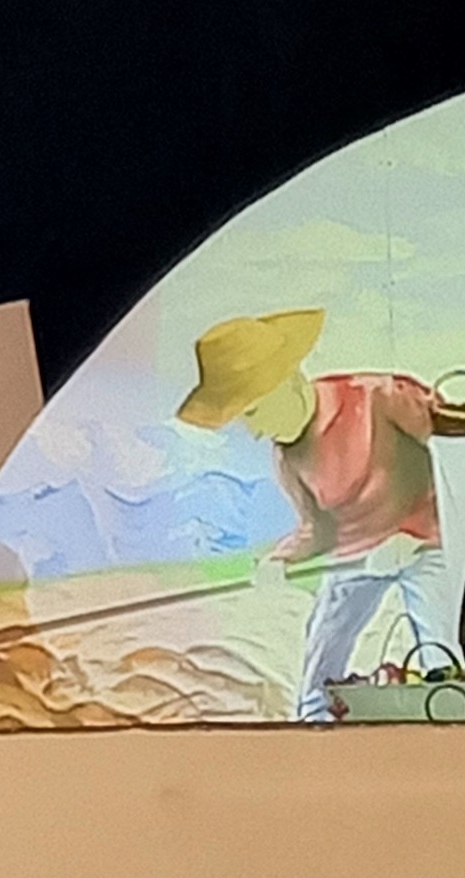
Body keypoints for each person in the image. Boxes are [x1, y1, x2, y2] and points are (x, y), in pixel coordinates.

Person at [177, 309, 447, 721]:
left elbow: (456, 458)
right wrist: (280, 560)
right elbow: (317, 530)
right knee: (319, 672)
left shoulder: (378, 397)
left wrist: (416, 533)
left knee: (446, 656)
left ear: (287, 380)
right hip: (354, 561)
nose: (255, 431)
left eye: (253, 411)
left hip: (428, 549)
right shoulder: (287, 459)